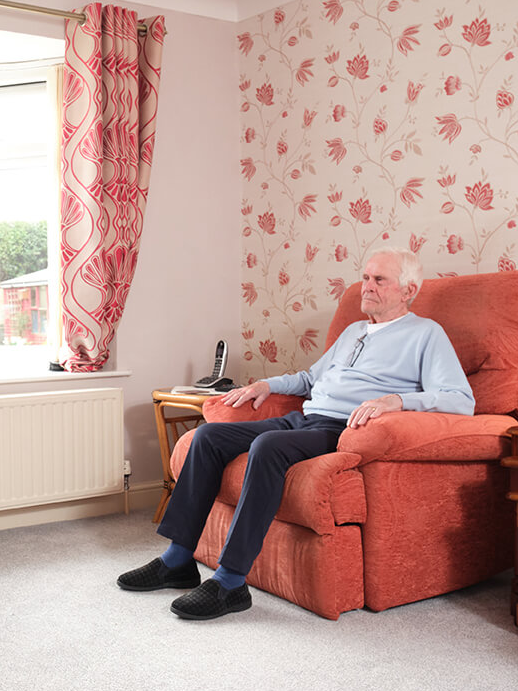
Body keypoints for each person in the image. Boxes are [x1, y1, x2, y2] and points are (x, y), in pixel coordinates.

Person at [118, 248, 474, 621]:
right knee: (209, 437)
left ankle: (231, 581)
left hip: (342, 429)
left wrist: (397, 401)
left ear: (408, 290)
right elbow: (309, 378)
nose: (365, 286)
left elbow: (460, 400)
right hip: (303, 419)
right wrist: (266, 385)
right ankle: (177, 560)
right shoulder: (355, 331)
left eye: (378, 280)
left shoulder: (426, 334)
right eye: (365, 277)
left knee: (267, 446)